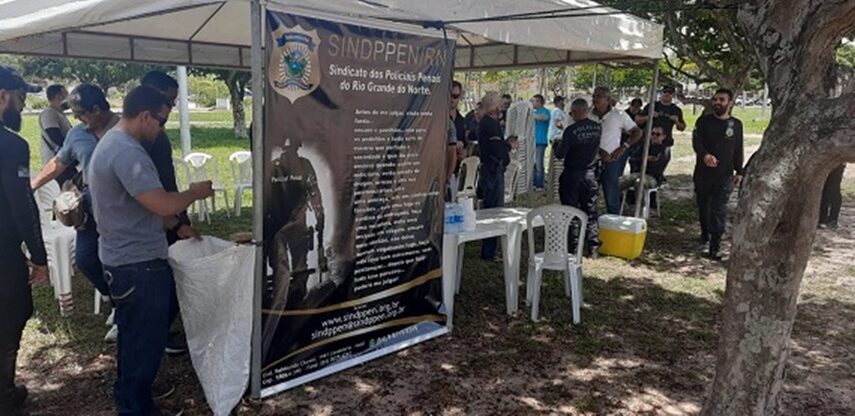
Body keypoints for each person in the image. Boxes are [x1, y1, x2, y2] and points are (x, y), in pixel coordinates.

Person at [88, 85, 213, 416]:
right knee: (144, 341)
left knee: (133, 338)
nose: (161, 129)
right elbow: (160, 202)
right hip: (137, 264)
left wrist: (176, 227)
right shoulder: (126, 152)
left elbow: (141, 206)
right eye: (161, 121)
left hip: (123, 258)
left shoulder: (113, 142)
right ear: (144, 116)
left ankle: (132, 394)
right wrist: (194, 193)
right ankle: (136, 407)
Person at [31, 84, 119, 340]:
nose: (78, 120)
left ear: (97, 109)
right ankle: (114, 298)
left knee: (118, 260)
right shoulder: (77, 133)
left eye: (81, 114)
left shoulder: (124, 127)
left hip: (121, 205)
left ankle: (123, 313)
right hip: (90, 202)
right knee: (86, 258)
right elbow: (60, 162)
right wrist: (33, 185)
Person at [0, 66, 49, 416]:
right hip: (2, 255)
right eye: (19, 98)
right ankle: (5, 397)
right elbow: (22, 203)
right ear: (3, 97)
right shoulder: (11, 145)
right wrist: (39, 256)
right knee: (11, 316)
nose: (21, 106)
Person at [693, 88, 744, 260]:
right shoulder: (703, 122)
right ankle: (705, 234)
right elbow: (697, 142)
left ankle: (715, 246)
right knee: (704, 206)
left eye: (721, 100)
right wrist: (705, 155)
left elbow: (738, 149)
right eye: (715, 99)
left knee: (718, 209)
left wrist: (739, 171)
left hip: (725, 175)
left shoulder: (736, 125)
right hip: (703, 174)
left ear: (730, 103)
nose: (717, 102)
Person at [554, 98, 602, 256]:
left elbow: (560, 154)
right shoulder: (597, 128)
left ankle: (573, 248)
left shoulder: (571, 130)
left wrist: (556, 144)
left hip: (573, 173)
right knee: (591, 210)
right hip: (591, 173)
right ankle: (593, 246)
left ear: (574, 112)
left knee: (571, 210)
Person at [478, 92, 518, 261]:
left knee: (490, 210)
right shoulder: (491, 124)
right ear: (494, 107)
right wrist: (508, 146)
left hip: (489, 169)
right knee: (494, 211)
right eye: (500, 105)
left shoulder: (485, 123)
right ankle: (490, 251)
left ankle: (489, 249)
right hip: (493, 171)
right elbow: (497, 150)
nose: (502, 109)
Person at [590, 86, 642, 215]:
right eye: (594, 96)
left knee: (612, 197)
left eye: (599, 96)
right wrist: (598, 150)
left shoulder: (619, 115)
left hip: (611, 161)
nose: (595, 99)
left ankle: (613, 222)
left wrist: (623, 147)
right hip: (590, 161)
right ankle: (590, 223)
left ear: (607, 99)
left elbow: (637, 132)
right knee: (589, 196)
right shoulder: (588, 114)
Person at [38, 84, 75, 186]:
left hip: (65, 163)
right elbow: (55, 137)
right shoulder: (49, 113)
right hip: (57, 165)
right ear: (58, 97)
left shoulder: (59, 114)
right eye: (66, 95)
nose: (69, 99)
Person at [531, 94, 550, 191]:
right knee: (533, 163)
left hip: (541, 141)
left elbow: (543, 118)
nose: (532, 103)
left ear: (539, 102)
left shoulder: (545, 111)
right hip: (533, 141)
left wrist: (532, 115)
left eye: (534, 101)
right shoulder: (534, 112)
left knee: (539, 163)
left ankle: (540, 184)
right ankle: (534, 183)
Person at [819, 164, 846, 229]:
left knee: (832, 189)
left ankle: (831, 219)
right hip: (828, 163)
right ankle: (823, 218)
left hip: (836, 164)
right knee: (826, 189)